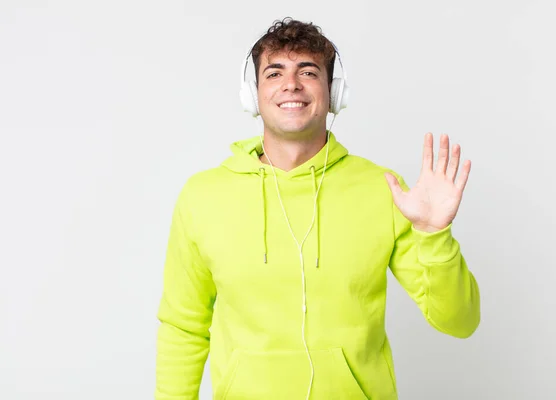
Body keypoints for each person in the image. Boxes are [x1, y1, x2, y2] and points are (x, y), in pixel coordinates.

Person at [155, 17, 480, 400]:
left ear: (334, 93)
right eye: (274, 73)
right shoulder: (203, 195)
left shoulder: (382, 188)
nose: (291, 84)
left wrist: (434, 234)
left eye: (307, 71)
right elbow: (182, 328)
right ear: (252, 95)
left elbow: (459, 321)